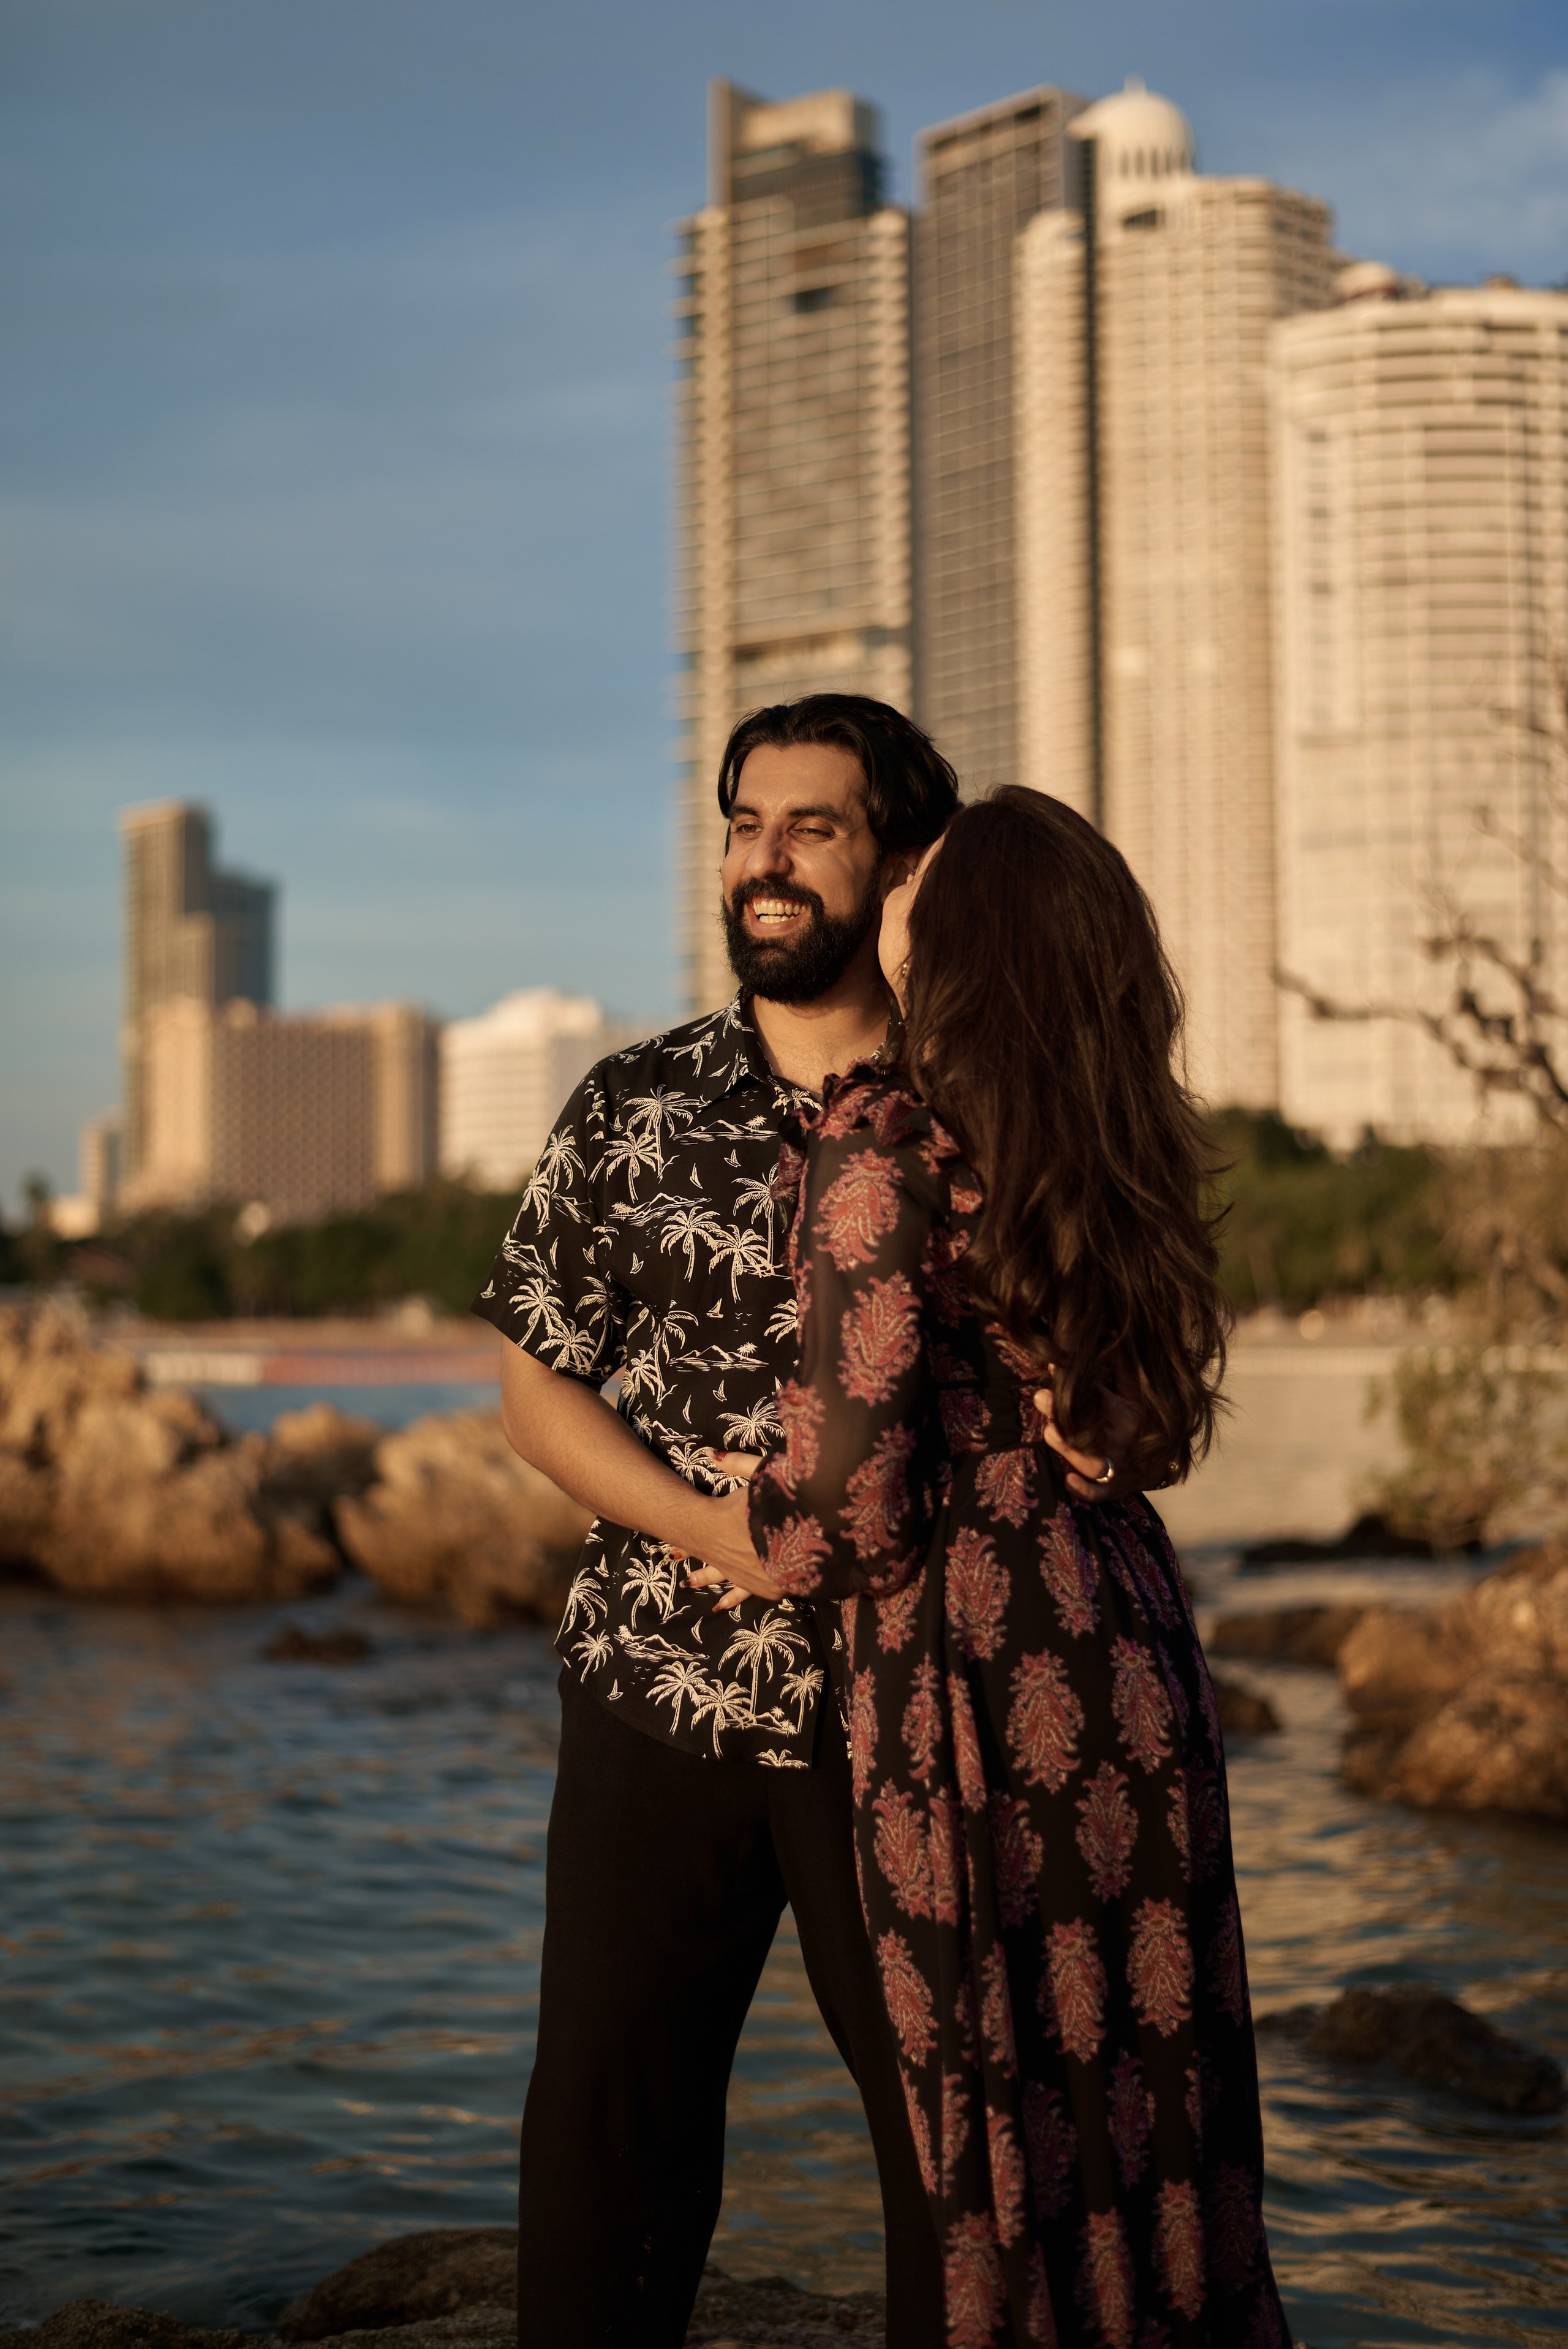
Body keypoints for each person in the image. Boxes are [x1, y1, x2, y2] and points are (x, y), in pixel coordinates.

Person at [474, 701, 1146, 2348]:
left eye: (812, 826)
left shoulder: (992, 1103)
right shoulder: (633, 1103)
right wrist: (712, 1531)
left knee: (956, 2152)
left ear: (904, 861)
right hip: (664, 1692)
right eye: (740, 822)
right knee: (607, 2134)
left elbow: (1110, 1380)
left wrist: (1098, 1425)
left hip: (918, 1713)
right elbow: (532, 1387)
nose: (762, 859)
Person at [685, 790, 1289, 2345]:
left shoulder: (879, 1141)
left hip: (973, 1662)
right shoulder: (1118, 1148)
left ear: (954, 947)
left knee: (998, 2120)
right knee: (1153, 2111)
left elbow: (843, 1515)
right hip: (1133, 1656)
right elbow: (1139, 1442)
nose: (884, 905)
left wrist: (694, 1530)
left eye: (914, 893)